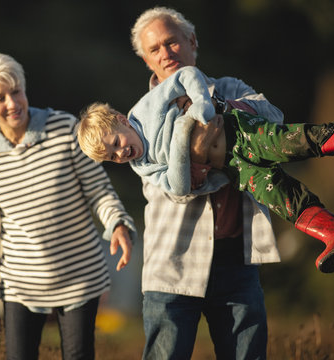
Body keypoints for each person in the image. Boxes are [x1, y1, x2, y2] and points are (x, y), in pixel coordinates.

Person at [84, 6, 282, 360]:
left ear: (191, 41)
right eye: (154, 50)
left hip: (236, 260)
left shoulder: (229, 87)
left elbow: (275, 121)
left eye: (171, 42)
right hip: (172, 264)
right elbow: (175, 188)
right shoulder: (134, 123)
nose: (165, 54)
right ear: (146, 61)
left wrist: (214, 108)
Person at [76, 65, 334, 273]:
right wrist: (183, 137)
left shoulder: (147, 109)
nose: (121, 153)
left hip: (240, 132)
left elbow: (187, 74)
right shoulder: (142, 166)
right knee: (279, 197)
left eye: (116, 143)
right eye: (113, 157)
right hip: (233, 167)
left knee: (292, 142)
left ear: (122, 121)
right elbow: (178, 187)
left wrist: (201, 104)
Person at [0, 52, 137, 360]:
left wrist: (118, 224)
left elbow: (98, 190)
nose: (13, 103)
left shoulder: (64, 127)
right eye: (0, 98)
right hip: (20, 283)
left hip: (80, 277)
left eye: (16, 91)